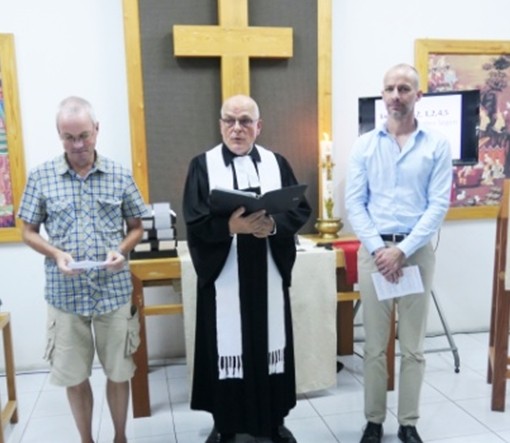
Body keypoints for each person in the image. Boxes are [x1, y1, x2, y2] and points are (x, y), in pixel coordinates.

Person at [18, 96, 147, 443]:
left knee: (119, 373)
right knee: (75, 376)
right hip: (65, 295)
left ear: (97, 130)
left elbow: (137, 226)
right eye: (68, 137)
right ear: (59, 135)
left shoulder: (119, 174)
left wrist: (121, 250)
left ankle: (120, 437)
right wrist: (56, 253)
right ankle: (86, 440)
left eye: (84, 136)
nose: (77, 145)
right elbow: (27, 231)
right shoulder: (42, 176)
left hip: (114, 292)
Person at [183, 94, 311, 443]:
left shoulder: (277, 162)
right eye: (229, 120)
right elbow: (194, 221)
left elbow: (299, 210)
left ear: (259, 126)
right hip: (225, 273)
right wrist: (231, 228)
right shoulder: (202, 165)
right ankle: (226, 424)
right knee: (226, 347)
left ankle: (273, 421)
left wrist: (271, 227)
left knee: (271, 345)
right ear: (220, 123)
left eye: (245, 121)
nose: (237, 128)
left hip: (266, 272)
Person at [345, 64, 452, 443]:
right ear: (382, 94)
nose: (395, 95)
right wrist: (379, 250)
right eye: (389, 88)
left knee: (413, 347)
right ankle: (373, 422)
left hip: (416, 253)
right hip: (374, 253)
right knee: (374, 346)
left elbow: (438, 205)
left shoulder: (437, 145)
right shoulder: (364, 145)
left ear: (418, 95)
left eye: (404, 88)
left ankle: (408, 423)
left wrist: (402, 250)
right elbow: (355, 204)